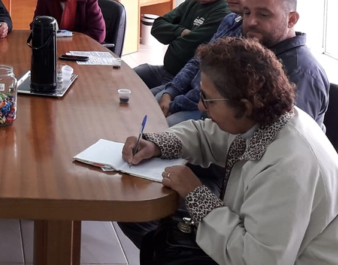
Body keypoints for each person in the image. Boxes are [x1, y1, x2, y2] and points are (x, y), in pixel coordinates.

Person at [121, 38, 338, 263]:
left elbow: (256, 259)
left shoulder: (288, 166)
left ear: (243, 105)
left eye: (208, 99)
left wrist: (196, 194)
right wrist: (157, 144)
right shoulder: (264, 119)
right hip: (255, 244)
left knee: (162, 247)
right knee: (155, 241)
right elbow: (205, 134)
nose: (200, 106)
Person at [156, 0, 266, 125]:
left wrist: (174, 104)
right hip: (189, 91)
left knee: (163, 123)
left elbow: (216, 88)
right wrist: (171, 92)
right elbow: (198, 60)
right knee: (152, 101)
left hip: (206, 105)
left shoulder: (253, 35)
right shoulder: (229, 20)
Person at [134, 0, 231, 88]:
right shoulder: (192, 2)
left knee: (148, 103)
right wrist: (182, 32)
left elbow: (186, 50)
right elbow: (157, 26)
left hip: (184, 81)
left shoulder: (224, 12)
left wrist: (173, 37)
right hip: (165, 70)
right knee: (126, 75)